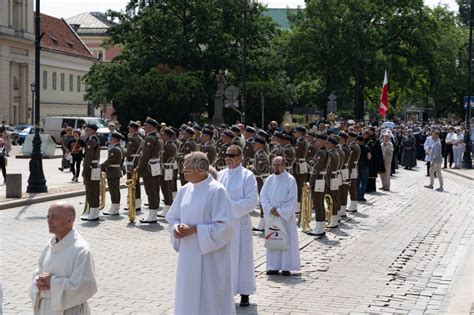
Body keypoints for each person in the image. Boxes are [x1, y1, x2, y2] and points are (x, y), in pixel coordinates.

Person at [165, 152, 235, 315]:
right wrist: (176, 228)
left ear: (201, 169)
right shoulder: (184, 190)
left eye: (187, 169)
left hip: (210, 256)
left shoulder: (217, 191)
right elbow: (173, 217)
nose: (184, 172)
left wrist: (195, 229)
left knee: (209, 298)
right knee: (188, 294)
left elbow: (224, 227)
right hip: (188, 255)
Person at [30, 202, 97, 314]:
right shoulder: (49, 246)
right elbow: (38, 272)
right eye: (48, 217)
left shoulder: (80, 249)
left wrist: (53, 282)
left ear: (69, 220)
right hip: (46, 308)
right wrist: (38, 281)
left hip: (70, 310)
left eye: (54, 217)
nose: (49, 221)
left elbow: (85, 285)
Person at [217, 145, 258, 307]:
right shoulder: (220, 175)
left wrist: (229, 207)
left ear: (240, 157)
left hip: (239, 223)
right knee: (224, 259)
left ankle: (244, 292)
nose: (228, 158)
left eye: (232, 155)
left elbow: (251, 201)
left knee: (242, 258)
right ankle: (224, 292)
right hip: (223, 224)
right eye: (226, 155)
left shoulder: (248, 176)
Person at [260, 156, 301, 276]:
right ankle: (273, 266)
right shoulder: (269, 179)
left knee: (286, 240)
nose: (276, 167)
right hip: (272, 215)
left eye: (279, 164)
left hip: (284, 217)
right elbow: (263, 196)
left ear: (284, 165)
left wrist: (281, 211)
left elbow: (292, 198)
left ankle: (286, 266)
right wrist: (270, 209)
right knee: (273, 239)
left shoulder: (290, 179)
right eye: (274, 164)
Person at [134, 117, 163, 224]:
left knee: (150, 191)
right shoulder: (158, 137)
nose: (144, 128)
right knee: (154, 190)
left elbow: (145, 156)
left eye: (145, 126)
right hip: (155, 166)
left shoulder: (150, 138)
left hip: (149, 168)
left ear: (150, 126)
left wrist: (138, 168)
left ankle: (152, 216)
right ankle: (153, 213)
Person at [81, 124, 101, 221]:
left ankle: (93, 214)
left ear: (93, 131)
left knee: (91, 190)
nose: (86, 131)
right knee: (94, 190)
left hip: (90, 168)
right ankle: (95, 212)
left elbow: (88, 157)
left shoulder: (91, 141)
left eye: (88, 130)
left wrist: (84, 170)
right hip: (95, 167)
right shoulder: (96, 139)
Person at [101, 132, 125, 216]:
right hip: (116, 170)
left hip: (113, 172)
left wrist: (99, 167)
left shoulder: (115, 150)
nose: (110, 140)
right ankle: (116, 207)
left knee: (113, 191)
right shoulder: (120, 148)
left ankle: (114, 208)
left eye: (111, 138)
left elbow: (109, 161)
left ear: (114, 139)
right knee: (116, 190)